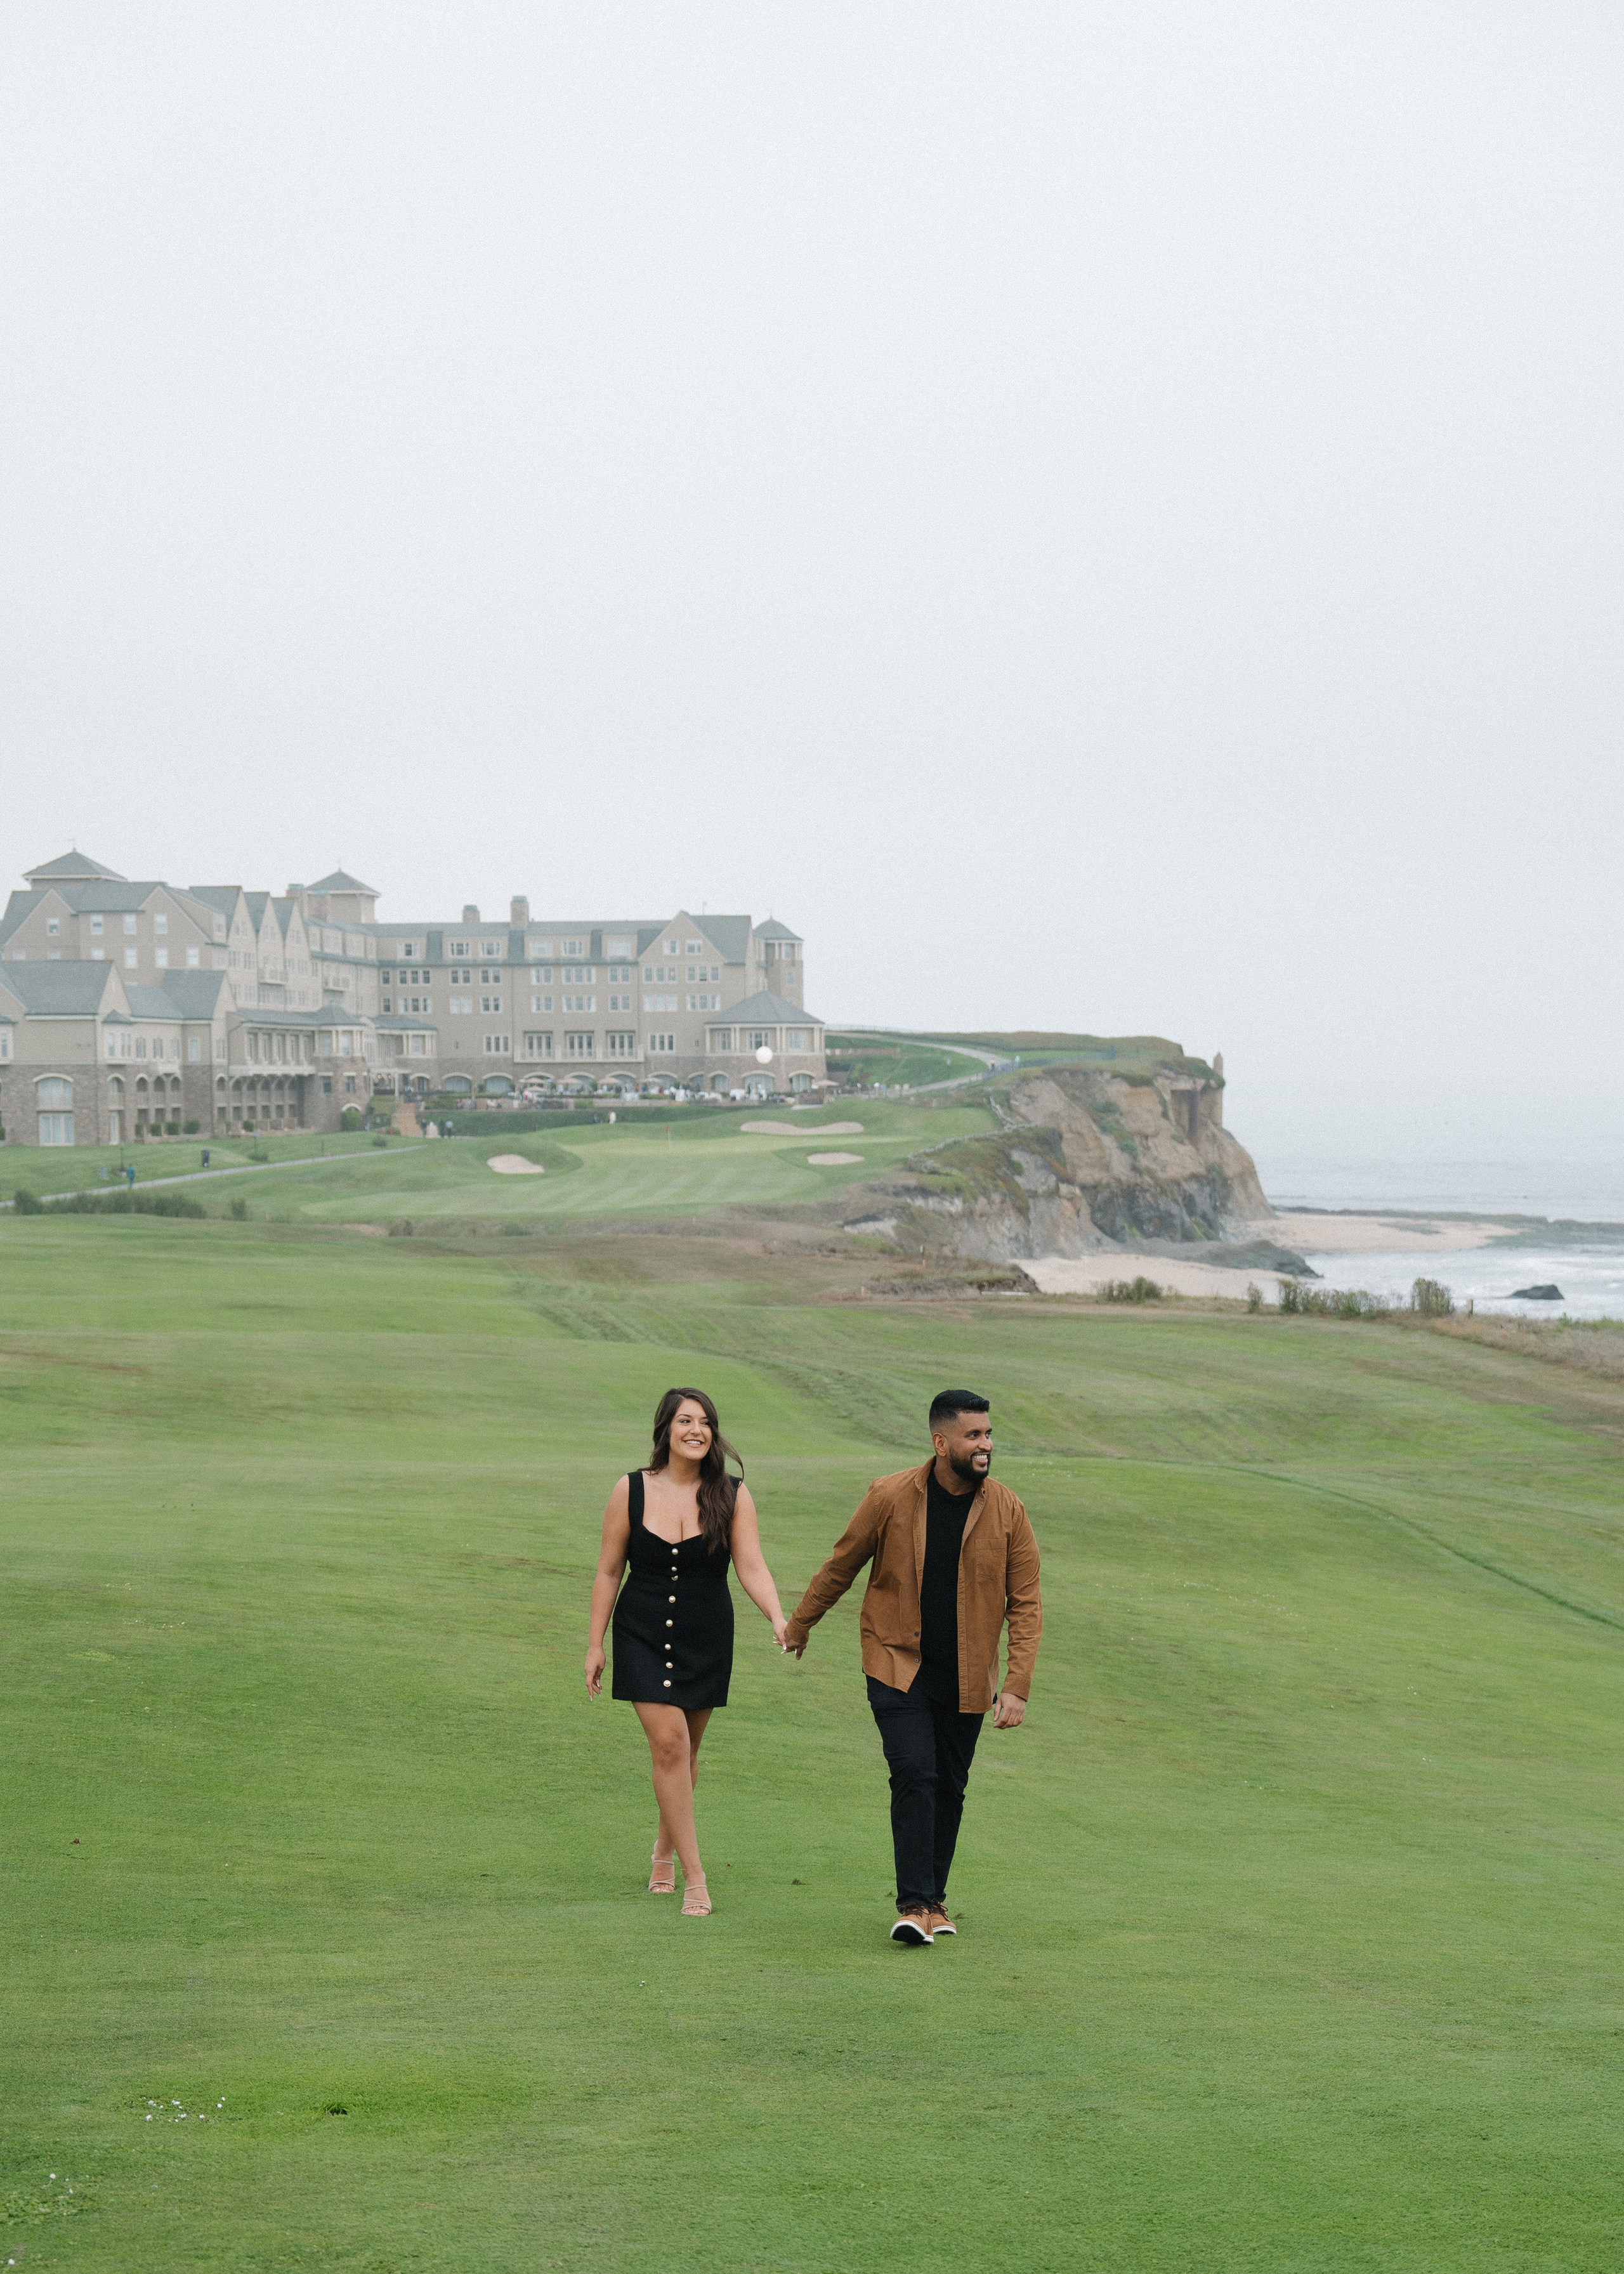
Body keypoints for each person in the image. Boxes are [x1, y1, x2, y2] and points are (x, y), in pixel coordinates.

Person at [783, 1390, 1041, 1946]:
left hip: (969, 1675)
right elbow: (842, 1563)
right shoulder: (891, 1495)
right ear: (940, 1441)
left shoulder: (1008, 1510)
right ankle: (913, 1903)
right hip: (896, 1662)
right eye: (974, 1435)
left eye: (989, 1434)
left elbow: (1026, 1602)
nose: (986, 1445)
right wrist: (801, 1623)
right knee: (915, 1772)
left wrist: (1016, 1686)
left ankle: (936, 1901)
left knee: (950, 1784)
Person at [585, 1387, 789, 1917]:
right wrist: (594, 1644)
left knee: (685, 1755)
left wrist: (777, 1616)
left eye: (705, 1422)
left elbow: (752, 1566)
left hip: (706, 1637)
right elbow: (610, 1570)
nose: (696, 1430)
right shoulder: (629, 1489)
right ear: (666, 1430)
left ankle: (663, 1850)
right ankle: (696, 1878)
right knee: (670, 1745)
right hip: (641, 1636)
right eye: (685, 1421)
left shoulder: (733, 1495)